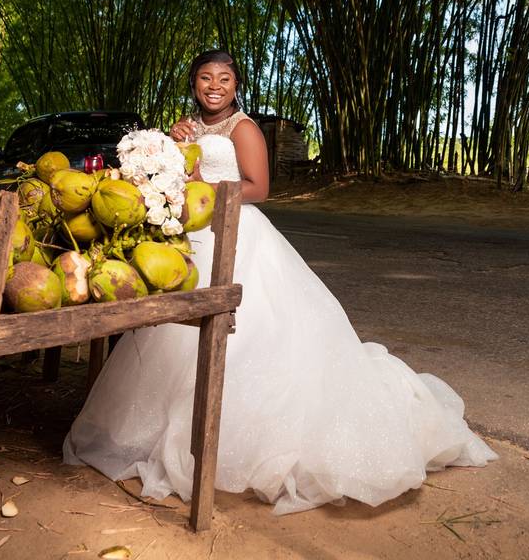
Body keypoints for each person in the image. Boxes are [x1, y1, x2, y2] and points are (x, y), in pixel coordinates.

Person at [63, 50, 496, 515]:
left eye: (224, 79)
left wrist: (206, 188)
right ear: (193, 84)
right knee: (174, 335)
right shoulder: (184, 127)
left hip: (239, 235)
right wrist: (170, 155)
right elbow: (177, 182)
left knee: (252, 337)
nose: (214, 86)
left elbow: (259, 188)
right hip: (192, 239)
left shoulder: (244, 129)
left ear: (236, 85)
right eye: (205, 78)